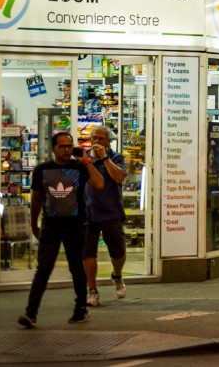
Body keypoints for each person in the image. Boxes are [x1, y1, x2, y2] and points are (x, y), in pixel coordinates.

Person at [18, 130, 98, 327]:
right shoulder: (42, 170)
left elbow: (99, 184)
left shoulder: (80, 167)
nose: (66, 150)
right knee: (43, 269)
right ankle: (31, 313)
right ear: (53, 148)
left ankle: (81, 309)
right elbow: (36, 199)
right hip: (51, 225)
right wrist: (34, 223)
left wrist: (87, 161)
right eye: (62, 146)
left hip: (76, 226)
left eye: (69, 146)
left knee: (77, 268)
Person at [80, 126, 128, 305]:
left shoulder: (116, 158)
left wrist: (105, 158)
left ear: (109, 142)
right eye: (94, 138)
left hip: (111, 212)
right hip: (87, 213)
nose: (97, 142)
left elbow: (119, 177)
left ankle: (117, 275)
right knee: (88, 253)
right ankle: (92, 290)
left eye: (101, 139)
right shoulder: (83, 159)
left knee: (118, 252)